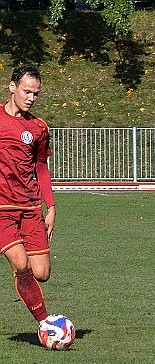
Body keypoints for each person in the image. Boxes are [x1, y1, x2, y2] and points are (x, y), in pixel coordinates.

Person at [0, 65, 55, 324]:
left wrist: (51, 207)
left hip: (31, 208)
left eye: (35, 93)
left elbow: (40, 166)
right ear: (12, 87)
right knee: (21, 266)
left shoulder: (39, 128)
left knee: (41, 272)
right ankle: (46, 324)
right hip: (2, 210)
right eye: (26, 91)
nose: (31, 98)